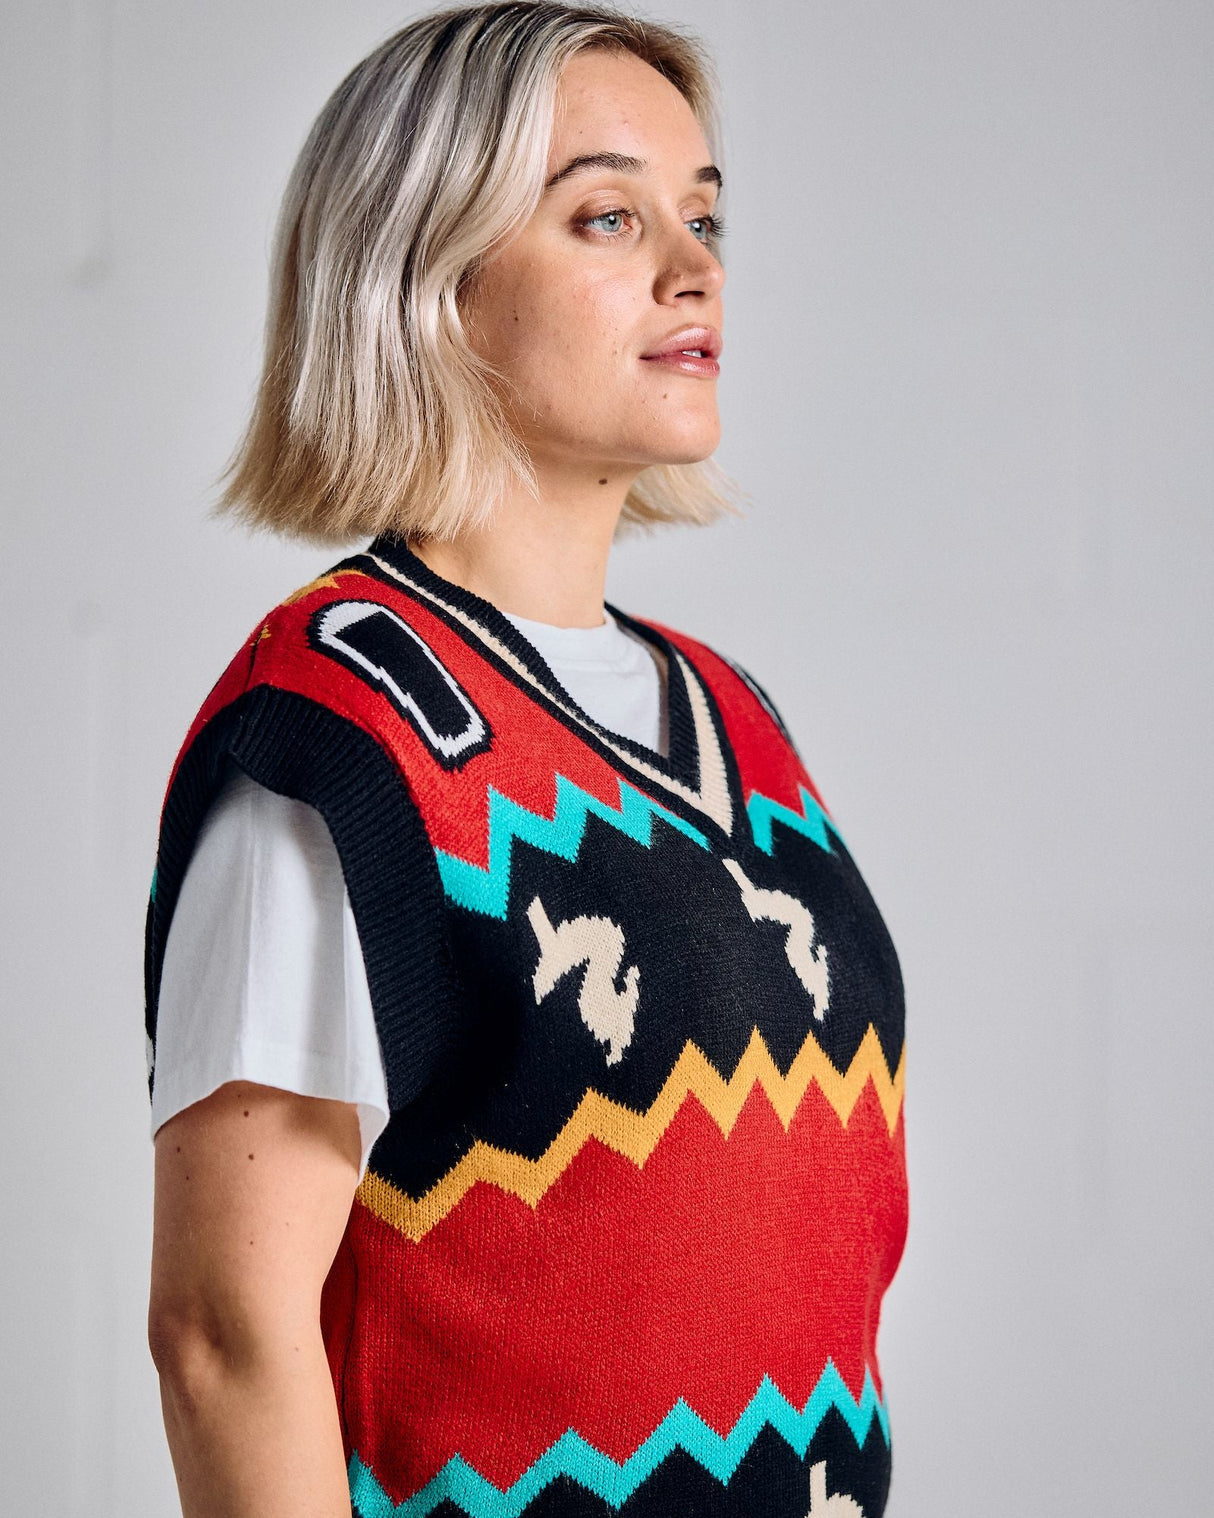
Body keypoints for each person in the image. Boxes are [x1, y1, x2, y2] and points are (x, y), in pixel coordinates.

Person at [143, 5, 909, 1516]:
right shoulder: (336, 736)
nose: (694, 267)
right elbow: (224, 1336)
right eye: (608, 215)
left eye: (704, 216)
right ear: (429, 281)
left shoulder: (733, 714)